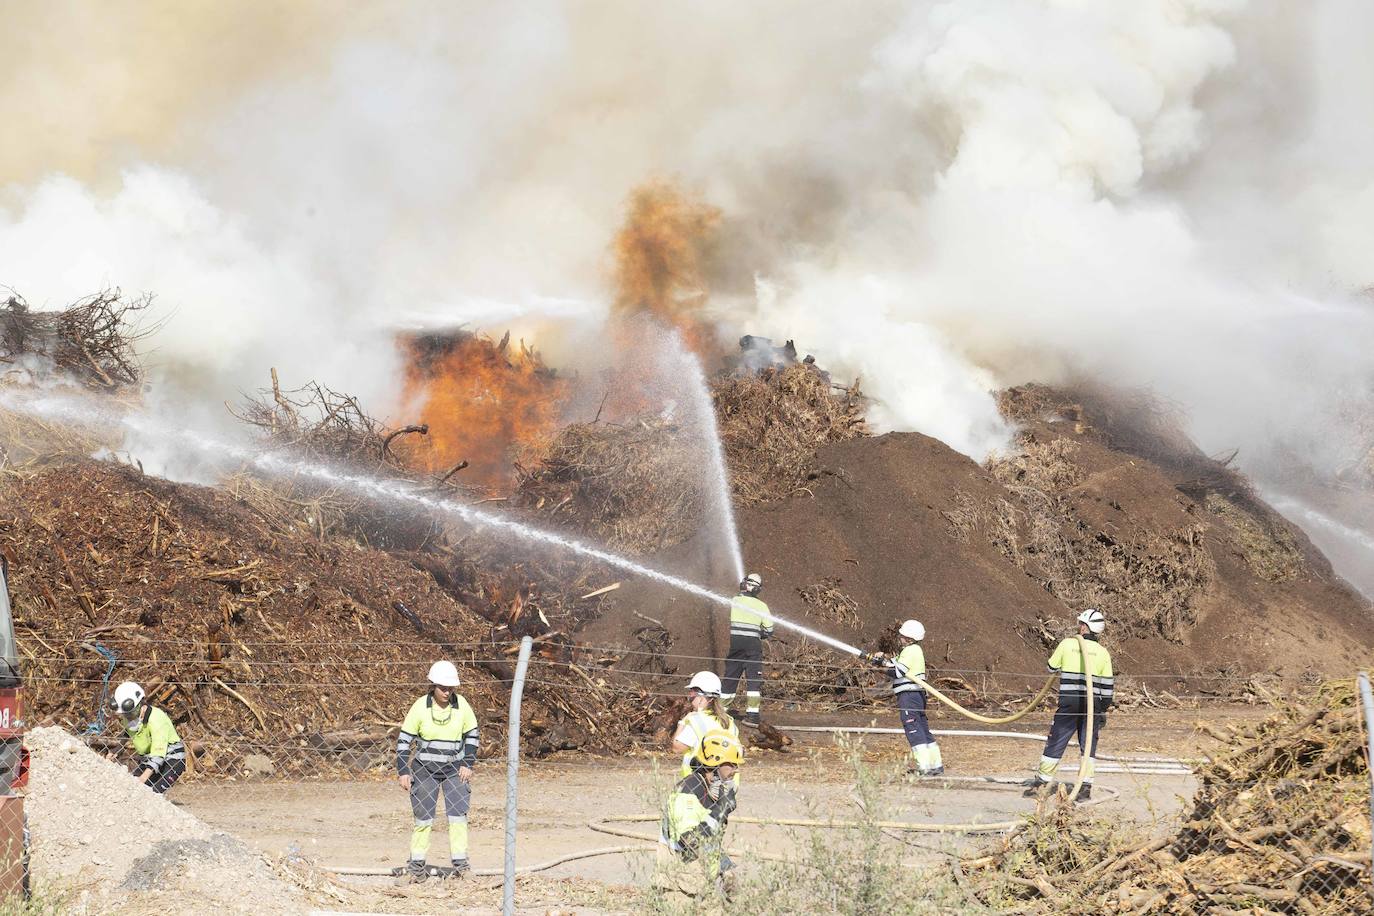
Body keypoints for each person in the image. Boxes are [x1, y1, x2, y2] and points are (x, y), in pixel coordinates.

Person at [396, 660, 480, 881]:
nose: (447, 692)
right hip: (424, 771)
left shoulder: (462, 705)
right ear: (432, 685)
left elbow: (472, 736)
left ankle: (462, 867)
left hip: (454, 770)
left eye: (451, 688)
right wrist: (403, 770)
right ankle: (416, 869)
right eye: (443, 687)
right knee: (423, 820)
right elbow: (404, 742)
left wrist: (467, 764)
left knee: (458, 818)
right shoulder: (419, 707)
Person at [1023, 609, 1114, 802]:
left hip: (1069, 703)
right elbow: (1107, 688)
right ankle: (1085, 788)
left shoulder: (1067, 644)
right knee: (1088, 746)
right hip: (1092, 706)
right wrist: (1102, 710)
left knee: (1056, 740)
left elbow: (1051, 667)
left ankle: (1041, 784)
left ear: (1083, 627)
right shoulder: (1103, 653)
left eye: (1080, 623)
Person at [657, 729, 743, 897]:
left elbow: (710, 842)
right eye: (732, 764)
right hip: (679, 890)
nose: (736, 770)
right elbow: (689, 842)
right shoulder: (687, 793)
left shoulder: (707, 789)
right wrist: (719, 811)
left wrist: (725, 869)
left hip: (700, 885)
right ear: (715, 763)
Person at [864, 619, 944, 776]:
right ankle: (935, 765)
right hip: (917, 695)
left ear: (909, 638)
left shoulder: (910, 651)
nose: (899, 638)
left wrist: (879, 669)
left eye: (901, 636)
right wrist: (880, 660)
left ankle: (925, 768)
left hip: (909, 695)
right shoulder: (913, 651)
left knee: (913, 728)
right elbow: (894, 664)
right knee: (922, 728)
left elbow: (897, 672)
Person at [111, 681, 186, 794]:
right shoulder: (129, 718)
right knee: (131, 788)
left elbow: (158, 752)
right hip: (148, 758)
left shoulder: (156, 718)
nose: (128, 718)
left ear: (141, 704)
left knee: (153, 794)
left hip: (171, 759)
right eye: (125, 715)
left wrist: (142, 779)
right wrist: (116, 751)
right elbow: (127, 734)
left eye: (130, 713)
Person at [720, 573, 773, 725]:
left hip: (736, 645)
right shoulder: (762, 606)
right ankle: (753, 715)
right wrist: (761, 633)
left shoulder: (735, 600)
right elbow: (769, 630)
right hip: (753, 647)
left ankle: (722, 711)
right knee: (753, 681)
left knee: (730, 677)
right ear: (758, 589)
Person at [671, 672, 739, 778]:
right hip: (727, 788)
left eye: (692, 696)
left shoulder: (697, 721)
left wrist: (683, 722)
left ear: (702, 699)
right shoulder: (730, 722)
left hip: (697, 784)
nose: (690, 701)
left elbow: (677, 748)